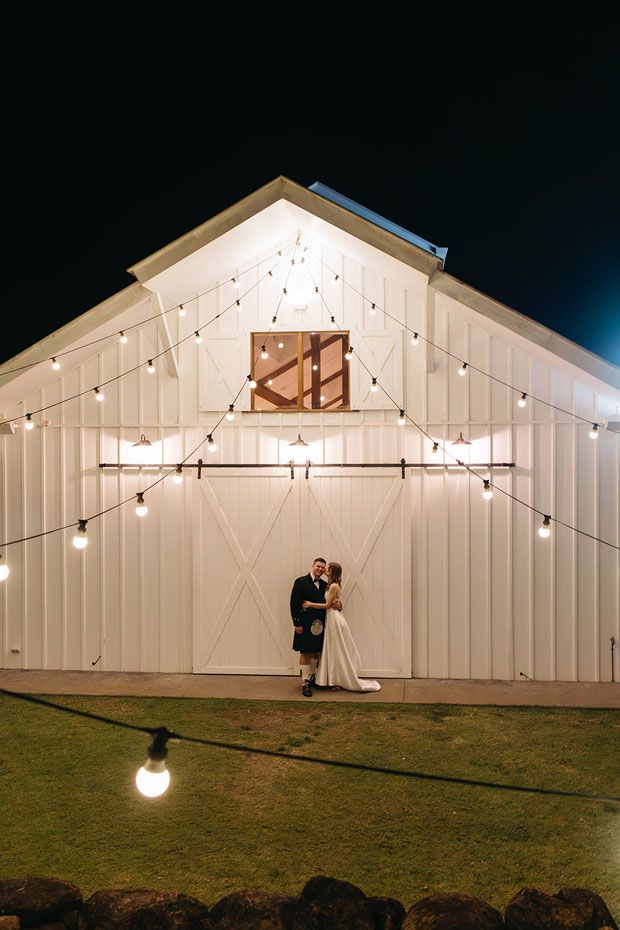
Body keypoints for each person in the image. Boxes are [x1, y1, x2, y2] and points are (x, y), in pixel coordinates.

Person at [302, 561, 381, 692]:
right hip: (330, 618)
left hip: (334, 619)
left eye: (327, 568)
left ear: (332, 571)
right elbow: (333, 602)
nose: (325, 569)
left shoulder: (333, 586)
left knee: (336, 649)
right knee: (331, 649)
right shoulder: (328, 584)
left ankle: (337, 680)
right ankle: (331, 679)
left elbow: (327, 605)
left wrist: (310, 604)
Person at [290, 557, 329, 697]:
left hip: (319, 624)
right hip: (305, 623)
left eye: (322, 568)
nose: (320, 569)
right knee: (305, 652)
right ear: (312, 565)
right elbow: (294, 603)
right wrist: (297, 623)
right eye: (318, 566)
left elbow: (329, 602)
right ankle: (305, 681)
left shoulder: (325, 584)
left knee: (315, 651)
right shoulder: (301, 582)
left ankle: (313, 677)